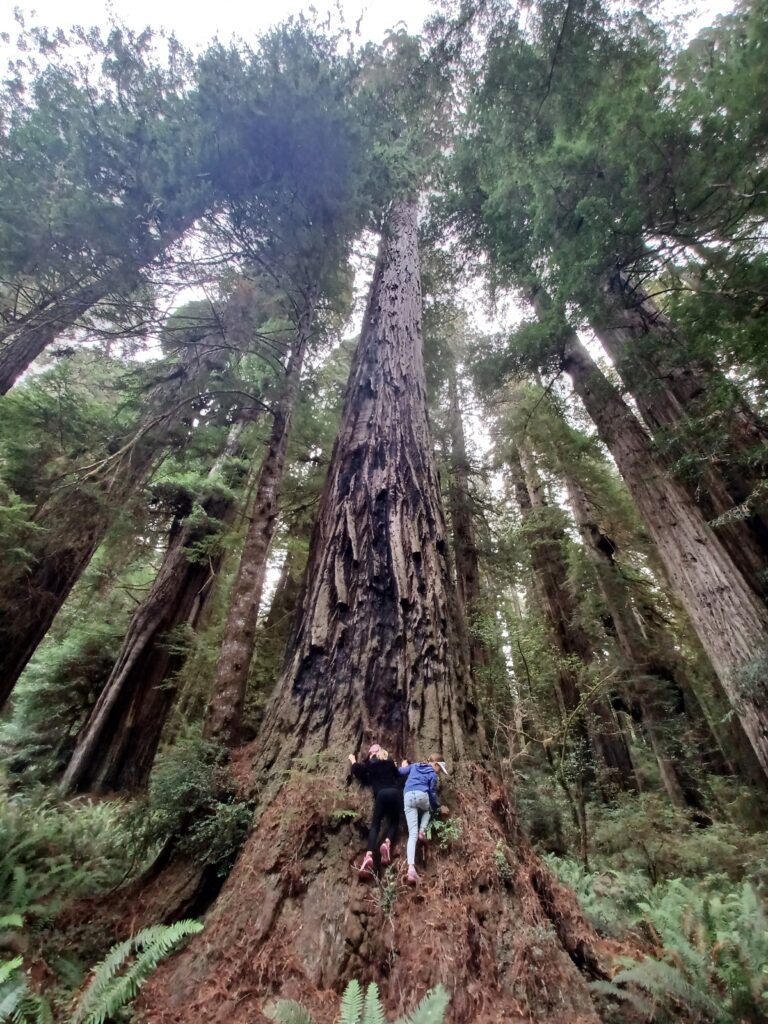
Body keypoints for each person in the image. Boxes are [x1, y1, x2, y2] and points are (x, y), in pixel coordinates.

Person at [348, 744, 403, 878]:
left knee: (375, 826)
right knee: (395, 821)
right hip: (395, 793)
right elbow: (398, 775)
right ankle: (387, 843)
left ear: (371, 755)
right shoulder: (390, 763)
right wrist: (398, 765)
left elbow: (358, 770)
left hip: (381, 795)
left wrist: (353, 760)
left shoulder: (371, 766)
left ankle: (369, 855)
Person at [399, 754, 446, 886]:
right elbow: (431, 794)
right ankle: (423, 830)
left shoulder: (414, 766)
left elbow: (401, 771)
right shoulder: (433, 775)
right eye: (440, 769)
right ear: (435, 764)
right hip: (422, 796)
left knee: (411, 835)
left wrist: (403, 766)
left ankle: (411, 868)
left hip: (407, 796)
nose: (439, 772)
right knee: (429, 809)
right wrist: (438, 806)